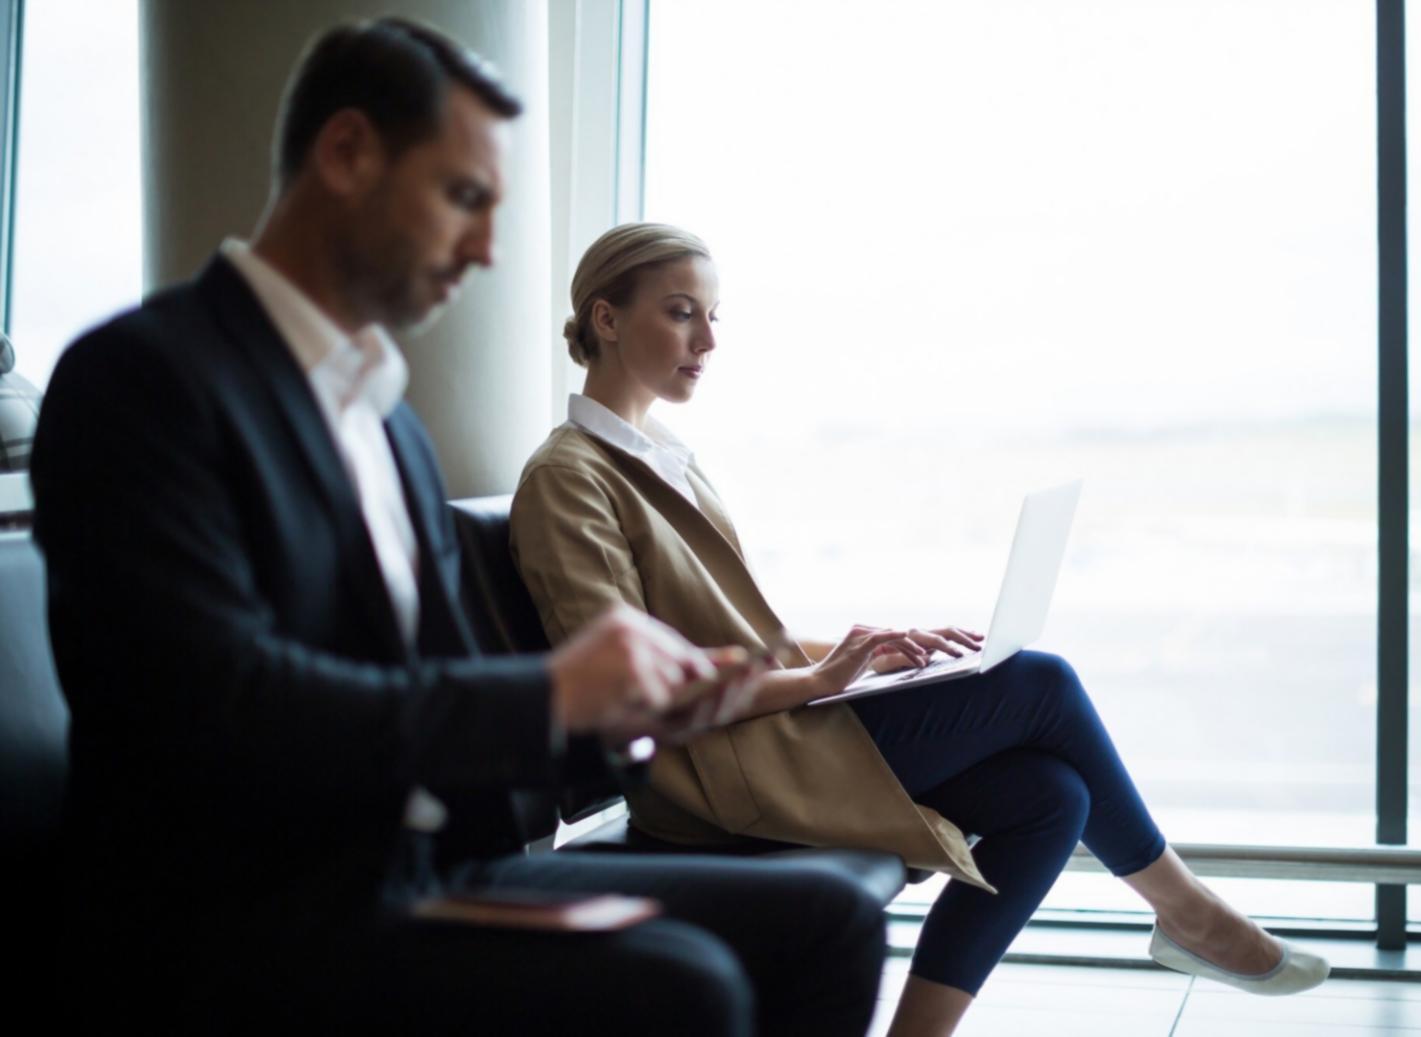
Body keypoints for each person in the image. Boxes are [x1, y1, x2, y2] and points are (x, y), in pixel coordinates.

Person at [30, 23, 885, 1037]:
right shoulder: (143, 379)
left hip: (421, 874)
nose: (486, 250)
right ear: (347, 153)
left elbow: (443, 689)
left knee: (830, 920)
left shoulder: (388, 420)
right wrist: (552, 691)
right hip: (238, 914)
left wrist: (642, 709)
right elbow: (217, 700)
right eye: (464, 197)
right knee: (684, 981)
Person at [512, 222, 1332, 1037]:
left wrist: (862, 656)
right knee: (1041, 683)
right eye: (682, 312)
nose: (708, 341)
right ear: (607, 318)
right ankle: (1188, 913)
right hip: (709, 773)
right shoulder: (568, 478)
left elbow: (732, 638)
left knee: (1050, 795)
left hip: (761, 736)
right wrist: (816, 681)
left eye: (714, 316)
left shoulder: (661, 455)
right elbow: (625, 684)